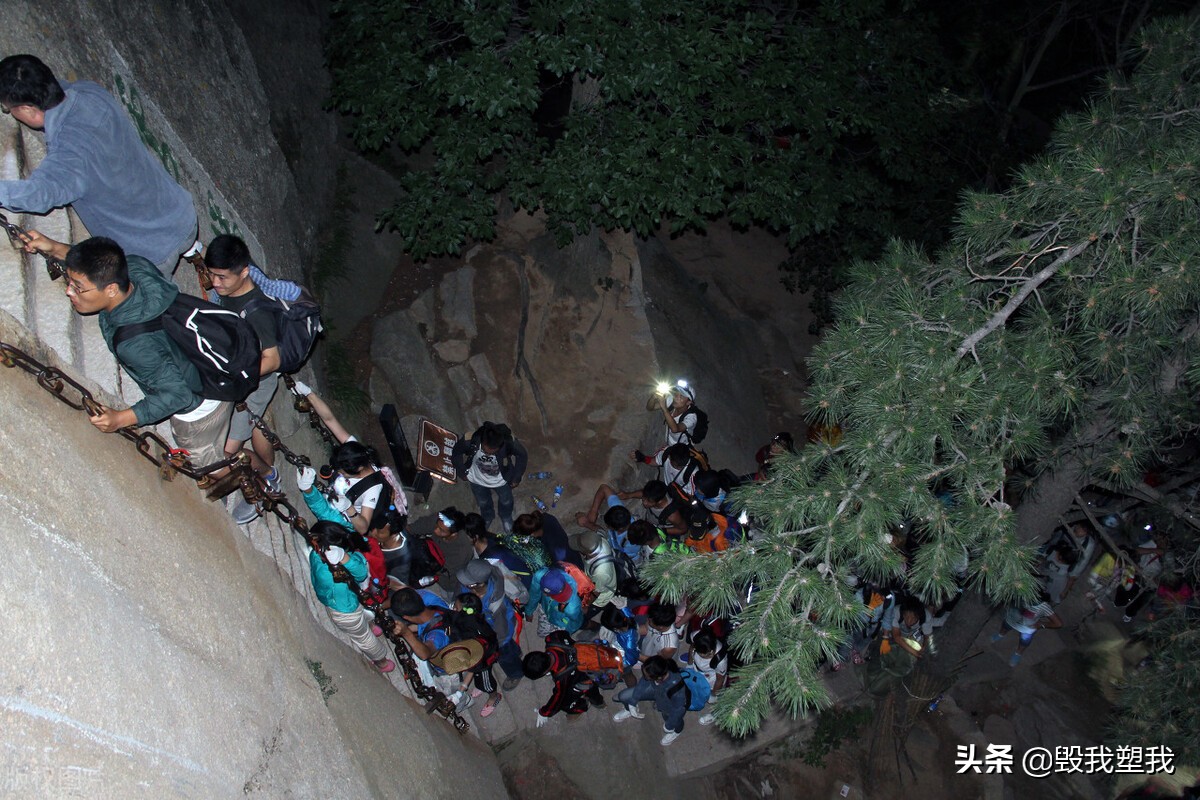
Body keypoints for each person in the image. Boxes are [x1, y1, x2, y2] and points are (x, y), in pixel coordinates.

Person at [22, 234, 234, 478]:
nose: (70, 291)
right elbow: (99, 268)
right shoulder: (134, 267)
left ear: (111, 289)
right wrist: (56, 248)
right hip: (206, 363)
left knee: (210, 466)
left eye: (78, 287)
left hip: (200, 407)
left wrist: (121, 419)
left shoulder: (136, 345)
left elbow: (178, 395)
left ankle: (259, 476)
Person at [0, 55, 197, 275]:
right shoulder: (90, 92)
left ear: (27, 109)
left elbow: (39, 194)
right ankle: (194, 250)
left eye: (8, 109)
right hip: (182, 214)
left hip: (153, 253)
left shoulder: (72, 155)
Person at [205, 235, 283, 492]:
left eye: (222, 277)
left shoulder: (257, 313)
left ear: (244, 272)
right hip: (238, 370)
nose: (215, 283)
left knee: (228, 452)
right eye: (212, 275)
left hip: (256, 384)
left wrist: (236, 376)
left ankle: (268, 474)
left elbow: (272, 361)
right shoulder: (229, 287)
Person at [302, 521, 395, 673]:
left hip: (344, 610)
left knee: (364, 638)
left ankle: (382, 662)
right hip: (351, 599)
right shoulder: (337, 559)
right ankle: (372, 626)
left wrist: (344, 558)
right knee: (362, 614)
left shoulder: (322, 558)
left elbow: (360, 573)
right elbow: (360, 572)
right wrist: (346, 558)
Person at [457, 558, 526, 692]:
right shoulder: (471, 584)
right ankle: (516, 651)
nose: (462, 582)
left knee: (505, 654)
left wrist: (493, 647)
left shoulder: (496, 604)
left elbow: (501, 634)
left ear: (478, 584)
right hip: (486, 624)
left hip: (500, 633)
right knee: (511, 649)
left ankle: (515, 673)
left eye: (467, 582)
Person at [450, 420, 527, 533]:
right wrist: (462, 472)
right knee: (483, 501)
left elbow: (522, 455)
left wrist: (516, 477)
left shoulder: (508, 442)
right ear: (482, 441)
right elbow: (456, 453)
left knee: (506, 500)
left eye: (494, 450)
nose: (490, 452)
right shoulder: (470, 440)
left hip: (501, 479)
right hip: (476, 479)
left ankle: (505, 517)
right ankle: (487, 517)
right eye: (488, 449)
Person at [523, 632, 605, 726]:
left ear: (545, 672)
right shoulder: (552, 638)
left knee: (568, 701)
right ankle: (598, 702)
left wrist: (545, 712)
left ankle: (596, 702)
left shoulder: (562, 678)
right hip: (589, 650)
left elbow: (557, 699)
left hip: (587, 675)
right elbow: (565, 633)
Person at [613, 656, 690, 746]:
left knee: (673, 719)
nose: (645, 677)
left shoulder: (677, 690)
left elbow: (678, 710)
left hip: (668, 703)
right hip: (655, 690)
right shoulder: (654, 670)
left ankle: (676, 732)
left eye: (647, 676)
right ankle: (629, 710)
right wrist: (633, 702)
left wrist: (669, 725)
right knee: (624, 696)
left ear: (659, 677)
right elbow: (644, 681)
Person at [450, 592, 503, 717]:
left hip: (484, 660)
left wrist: (461, 691)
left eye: (456, 608)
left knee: (487, 684)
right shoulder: (471, 620)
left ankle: (494, 697)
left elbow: (475, 665)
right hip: (480, 654)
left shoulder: (474, 638)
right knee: (479, 679)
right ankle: (480, 685)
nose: (453, 609)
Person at [992, 589, 1062, 667]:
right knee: (1005, 626)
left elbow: (1058, 623)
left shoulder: (1044, 606)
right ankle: (1000, 635)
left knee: (1024, 641)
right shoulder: (1023, 594)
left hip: (1027, 628)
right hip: (1012, 619)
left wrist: (1041, 624)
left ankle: (1018, 653)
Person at [512, 510, 583, 570]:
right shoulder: (546, 518)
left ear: (532, 534)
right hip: (571, 554)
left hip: (572, 569)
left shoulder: (557, 553)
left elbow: (555, 567)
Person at [527, 567, 583, 636]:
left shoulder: (572, 607)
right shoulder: (539, 576)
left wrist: (565, 634)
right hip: (545, 609)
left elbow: (575, 622)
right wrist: (529, 611)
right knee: (541, 634)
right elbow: (534, 594)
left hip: (560, 623)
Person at [687, 630, 727, 726]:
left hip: (712, 678)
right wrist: (689, 664)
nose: (706, 656)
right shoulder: (696, 636)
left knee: (716, 698)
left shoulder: (720, 660)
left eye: (708, 654)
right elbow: (691, 648)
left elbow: (720, 679)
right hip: (698, 670)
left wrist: (713, 694)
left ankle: (716, 713)